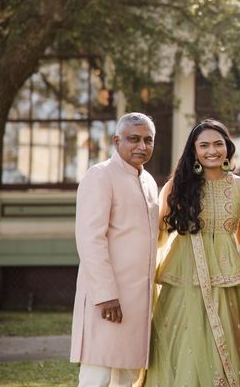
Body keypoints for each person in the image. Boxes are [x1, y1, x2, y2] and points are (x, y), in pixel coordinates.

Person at [144, 119, 240, 387]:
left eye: (218, 144)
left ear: (227, 148)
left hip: (228, 279)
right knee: (183, 344)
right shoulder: (177, 187)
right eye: (203, 145)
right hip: (184, 278)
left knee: (227, 343)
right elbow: (157, 234)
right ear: (194, 151)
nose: (212, 151)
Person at [70, 112, 159, 387]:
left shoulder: (149, 182)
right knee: (98, 374)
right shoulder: (100, 175)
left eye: (148, 140)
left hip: (138, 299)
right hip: (108, 298)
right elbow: (90, 239)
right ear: (116, 141)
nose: (141, 146)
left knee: (127, 376)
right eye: (134, 139)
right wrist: (106, 295)